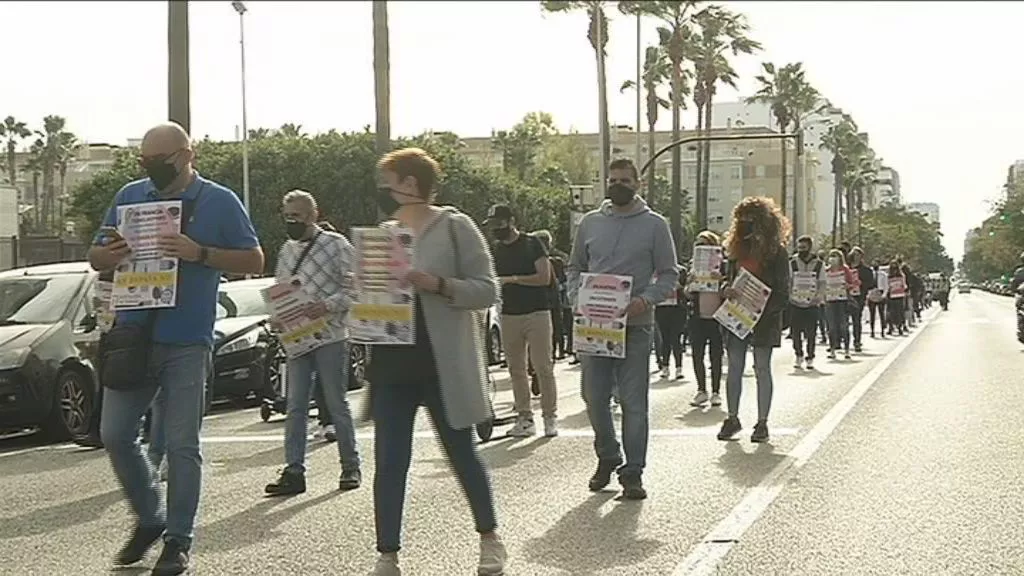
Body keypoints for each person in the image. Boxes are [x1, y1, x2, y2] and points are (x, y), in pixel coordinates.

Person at [89, 122, 263, 575]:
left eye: (160, 160)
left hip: (187, 338)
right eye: (144, 161)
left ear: (187, 155)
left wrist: (199, 252)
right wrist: (109, 256)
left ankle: (178, 539)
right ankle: (150, 517)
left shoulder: (220, 200)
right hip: (134, 334)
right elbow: (96, 255)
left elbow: (254, 259)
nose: (151, 169)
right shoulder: (130, 196)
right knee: (115, 433)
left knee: (183, 443)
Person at [367, 148, 506, 576]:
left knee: (461, 453)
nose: (382, 189)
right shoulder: (382, 233)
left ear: (410, 183)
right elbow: (369, 295)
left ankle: (490, 540)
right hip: (391, 363)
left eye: (387, 179)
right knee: (389, 460)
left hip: (442, 364)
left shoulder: (455, 226)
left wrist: (438, 284)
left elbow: (488, 289)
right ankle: (387, 555)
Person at [568, 158, 678, 500]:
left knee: (634, 403)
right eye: (613, 179)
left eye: (625, 180)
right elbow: (574, 268)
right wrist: (576, 298)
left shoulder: (655, 225)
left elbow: (670, 274)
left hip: (636, 327)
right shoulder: (589, 224)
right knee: (594, 397)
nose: (618, 185)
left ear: (638, 184)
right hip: (595, 327)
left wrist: (645, 300)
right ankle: (608, 455)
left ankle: (633, 471)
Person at [263, 190, 362, 497]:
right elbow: (281, 289)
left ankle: (350, 466)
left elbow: (355, 289)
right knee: (295, 406)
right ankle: (294, 471)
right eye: (287, 215)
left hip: (330, 335)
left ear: (313, 215)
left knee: (335, 402)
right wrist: (277, 317)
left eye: (298, 216)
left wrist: (327, 305)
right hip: (297, 338)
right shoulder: (287, 250)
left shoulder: (336, 245)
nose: (292, 221)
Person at [716, 197, 790, 444]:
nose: (746, 225)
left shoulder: (777, 253)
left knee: (761, 368)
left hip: (764, 319)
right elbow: (726, 279)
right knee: (734, 368)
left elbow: (782, 290)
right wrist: (726, 289)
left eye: (752, 221)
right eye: (742, 220)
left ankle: (762, 422)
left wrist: (763, 309)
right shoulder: (736, 251)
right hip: (737, 316)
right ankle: (733, 417)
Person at [486, 204, 559, 438]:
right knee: (516, 370)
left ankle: (550, 416)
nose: (496, 229)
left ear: (511, 221)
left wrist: (513, 279)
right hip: (509, 314)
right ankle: (525, 417)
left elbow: (544, 277)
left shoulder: (532, 244)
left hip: (537, 312)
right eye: (492, 226)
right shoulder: (495, 250)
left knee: (542, 367)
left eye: (500, 224)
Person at [686, 230, 725, 407]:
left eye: (705, 243)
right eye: (698, 243)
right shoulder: (693, 267)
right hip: (697, 316)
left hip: (717, 316)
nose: (701, 246)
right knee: (697, 354)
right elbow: (686, 292)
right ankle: (701, 390)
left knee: (716, 355)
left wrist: (722, 279)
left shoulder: (722, 265)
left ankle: (716, 391)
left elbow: (731, 289)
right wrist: (691, 283)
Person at [788, 235, 825, 370]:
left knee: (811, 333)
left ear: (809, 247)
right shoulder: (792, 263)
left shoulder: (819, 264)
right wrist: (790, 296)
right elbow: (789, 281)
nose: (801, 250)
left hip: (812, 304)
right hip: (796, 303)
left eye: (804, 247)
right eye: (799, 247)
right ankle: (798, 354)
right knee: (795, 332)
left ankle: (810, 356)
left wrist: (818, 297)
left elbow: (822, 283)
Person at [533, 229, 568, 361]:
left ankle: (556, 352)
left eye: (546, 242)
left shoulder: (555, 261)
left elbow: (563, 279)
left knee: (555, 328)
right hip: (539, 304)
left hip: (553, 301)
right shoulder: (532, 262)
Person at [654, 263, 688, 380]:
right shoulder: (655, 270)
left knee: (675, 337)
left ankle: (679, 368)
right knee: (665, 338)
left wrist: (680, 287)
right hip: (661, 308)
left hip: (677, 309)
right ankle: (665, 367)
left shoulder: (681, 270)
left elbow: (687, 288)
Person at [823, 249, 857, 360]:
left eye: (835, 256)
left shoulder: (845, 270)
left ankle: (847, 350)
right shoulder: (826, 271)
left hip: (842, 301)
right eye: (831, 256)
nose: (833, 258)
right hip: (830, 301)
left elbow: (852, 283)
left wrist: (846, 285)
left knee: (844, 325)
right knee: (831, 327)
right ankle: (832, 349)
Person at [847, 247, 875, 352]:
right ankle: (841, 340)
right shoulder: (846, 268)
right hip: (845, 296)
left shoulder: (866, 270)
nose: (856, 257)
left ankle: (857, 341)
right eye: (854, 255)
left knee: (856, 319)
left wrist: (861, 283)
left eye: (858, 255)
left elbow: (871, 283)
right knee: (843, 320)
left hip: (859, 297)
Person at [867, 258, 889, 338]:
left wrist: (884, 295)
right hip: (871, 293)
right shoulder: (869, 273)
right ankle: (872, 331)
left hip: (880, 293)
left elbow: (886, 285)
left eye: (876, 263)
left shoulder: (883, 274)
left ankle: (882, 330)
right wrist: (868, 295)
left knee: (881, 313)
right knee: (872, 314)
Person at [886, 262, 908, 336]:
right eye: (893, 269)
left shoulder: (902, 276)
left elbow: (904, 285)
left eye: (895, 268)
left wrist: (903, 288)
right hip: (891, 296)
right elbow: (887, 286)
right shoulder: (888, 276)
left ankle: (900, 327)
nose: (894, 271)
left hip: (900, 296)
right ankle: (891, 327)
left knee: (900, 312)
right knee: (891, 313)